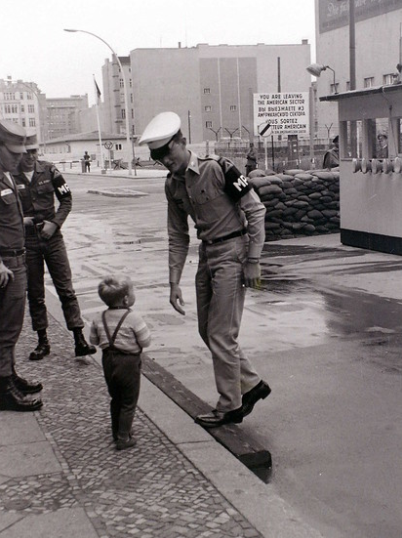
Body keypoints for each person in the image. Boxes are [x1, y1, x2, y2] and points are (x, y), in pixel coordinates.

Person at [139, 111, 271, 428]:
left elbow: (255, 210)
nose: (164, 160)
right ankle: (252, 385)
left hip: (233, 253)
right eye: (157, 156)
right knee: (207, 331)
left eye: (167, 151)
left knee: (221, 334)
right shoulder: (173, 186)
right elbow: (177, 235)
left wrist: (253, 259)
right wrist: (173, 283)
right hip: (207, 255)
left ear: (182, 142)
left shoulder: (219, 169)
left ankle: (231, 405)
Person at [13, 129, 96, 361]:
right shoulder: (10, 176)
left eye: (33, 152)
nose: (30, 157)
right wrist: (21, 222)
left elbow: (66, 200)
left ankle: (79, 339)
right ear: (18, 153)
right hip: (28, 241)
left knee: (66, 290)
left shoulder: (49, 171)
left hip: (52, 238)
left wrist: (55, 224)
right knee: (36, 294)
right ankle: (43, 341)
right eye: (26, 152)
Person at [0, 120, 43, 412]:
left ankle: (8, 375)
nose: (19, 157)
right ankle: (3, 388)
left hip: (17, 257)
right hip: (5, 264)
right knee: (5, 328)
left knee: (12, 327)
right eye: (13, 152)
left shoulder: (7, 176)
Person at [90, 275, 151, 450]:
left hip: (108, 360)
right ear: (126, 299)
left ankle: (116, 430)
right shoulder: (134, 319)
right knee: (129, 401)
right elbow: (146, 341)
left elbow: (93, 340)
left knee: (116, 397)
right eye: (132, 291)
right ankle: (123, 437)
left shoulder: (98, 317)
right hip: (129, 362)